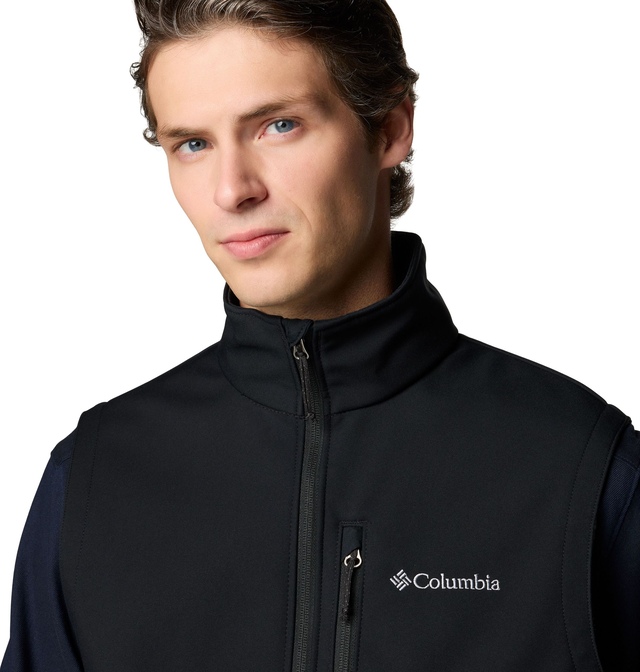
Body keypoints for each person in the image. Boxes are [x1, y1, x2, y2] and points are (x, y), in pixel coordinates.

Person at [1, 0, 638, 670]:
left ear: (389, 129)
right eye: (193, 144)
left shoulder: (584, 470)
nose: (231, 191)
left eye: (278, 125)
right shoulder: (95, 479)